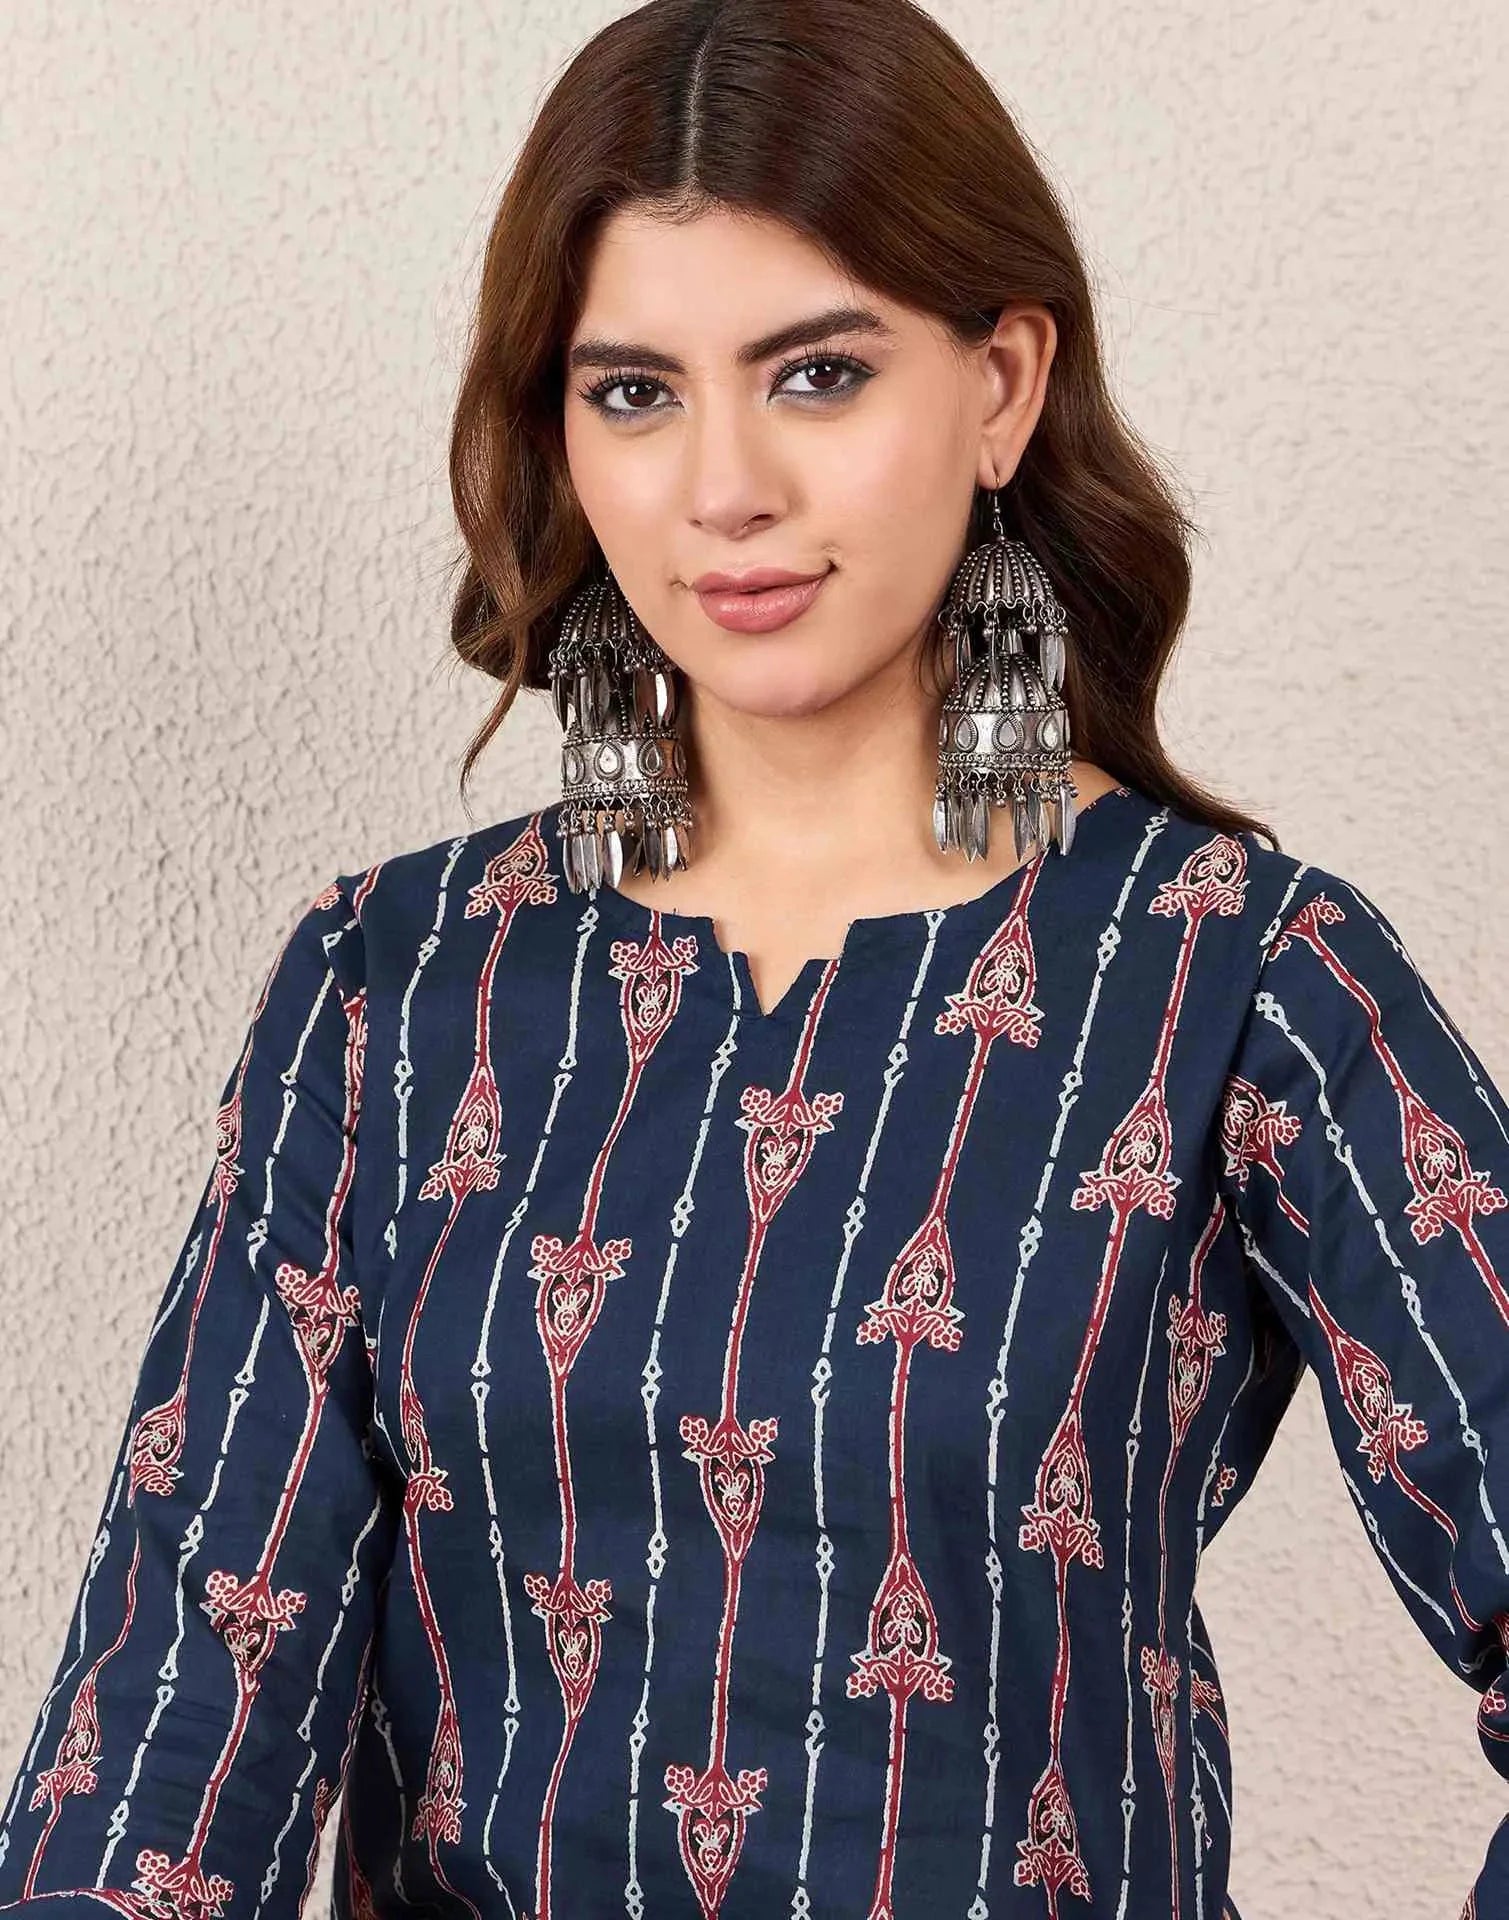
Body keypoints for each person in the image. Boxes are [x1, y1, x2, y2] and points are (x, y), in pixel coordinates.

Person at [1, 1, 1505, 1915]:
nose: (724, 487)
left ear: (1000, 387)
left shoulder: (1235, 977)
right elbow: (170, 1724)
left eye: (815, 374)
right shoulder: (391, 989)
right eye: (634, 392)